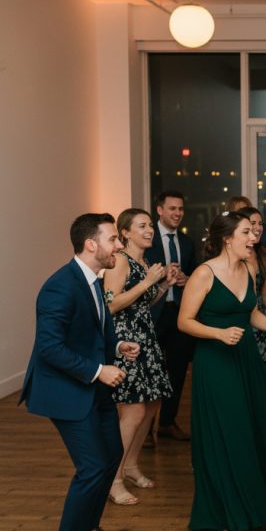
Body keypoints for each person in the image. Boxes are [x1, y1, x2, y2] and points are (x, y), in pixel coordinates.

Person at [19, 213, 141, 531]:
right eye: (113, 238)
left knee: (112, 453)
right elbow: (49, 347)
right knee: (92, 467)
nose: (119, 244)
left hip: (93, 388)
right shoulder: (61, 285)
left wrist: (116, 345)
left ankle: (90, 527)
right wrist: (99, 370)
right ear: (91, 244)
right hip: (66, 390)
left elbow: (87, 332)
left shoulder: (93, 279)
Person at [177, 211, 266, 531]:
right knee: (231, 435)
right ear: (227, 238)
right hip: (216, 362)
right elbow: (184, 321)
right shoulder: (204, 273)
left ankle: (260, 505)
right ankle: (230, 512)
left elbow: (251, 312)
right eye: (247, 232)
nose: (254, 237)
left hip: (246, 359)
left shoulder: (250, 267)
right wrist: (217, 334)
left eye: (254, 232)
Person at [103, 209, 176, 506]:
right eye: (141, 226)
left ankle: (131, 465)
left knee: (152, 404)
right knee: (132, 411)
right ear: (125, 233)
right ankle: (113, 478)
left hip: (147, 338)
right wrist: (148, 282)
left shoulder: (143, 262)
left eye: (149, 226)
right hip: (127, 343)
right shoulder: (120, 260)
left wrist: (163, 285)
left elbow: (142, 302)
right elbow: (111, 305)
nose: (149, 230)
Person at [145, 190, 196, 442]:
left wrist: (186, 279)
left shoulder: (186, 243)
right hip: (152, 313)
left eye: (181, 209)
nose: (178, 213)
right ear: (160, 210)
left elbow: (196, 277)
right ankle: (144, 429)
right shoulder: (146, 240)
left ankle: (167, 422)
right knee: (150, 371)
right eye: (172, 208)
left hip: (178, 313)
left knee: (176, 370)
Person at [239, 206, 266, 368]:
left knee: (261, 365)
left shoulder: (261, 252)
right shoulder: (237, 253)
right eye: (252, 223)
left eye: (260, 223)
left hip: (259, 316)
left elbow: (265, 289)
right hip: (241, 316)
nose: (258, 227)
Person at [228, 195, 266, 271]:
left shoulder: (264, 231)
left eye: (260, 223)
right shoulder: (228, 239)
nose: (242, 215)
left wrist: (262, 253)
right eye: (239, 211)